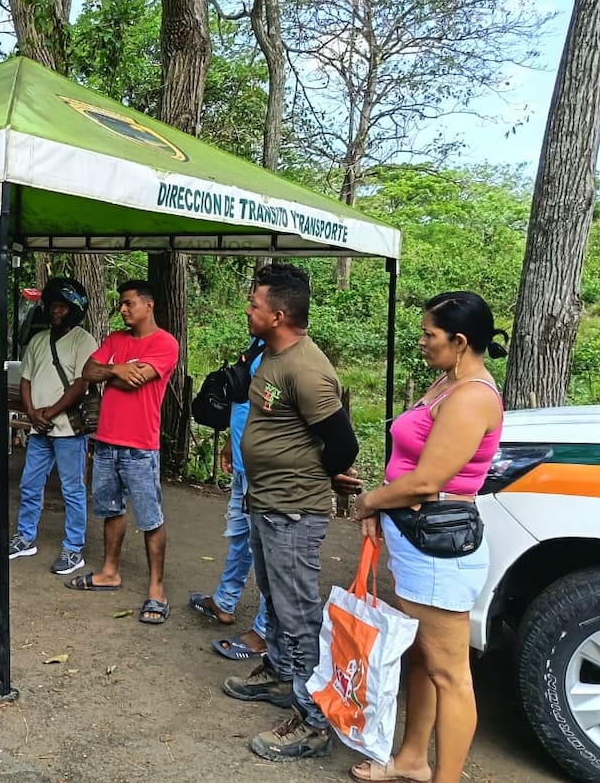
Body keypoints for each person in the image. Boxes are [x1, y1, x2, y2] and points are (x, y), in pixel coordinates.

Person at [349, 292, 506, 783]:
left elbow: (426, 481)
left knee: (451, 673)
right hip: (416, 540)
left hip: (438, 546)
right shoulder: (447, 381)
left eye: (429, 335)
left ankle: (447, 777)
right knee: (423, 656)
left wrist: (370, 501)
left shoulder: (473, 396)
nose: (421, 342)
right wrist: (382, 510)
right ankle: (413, 760)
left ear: (460, 342)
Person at [222, 263, 360, 762]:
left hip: (294, 511)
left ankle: (312, 719)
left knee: (299, 611)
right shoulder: (271, 355)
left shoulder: (307, 369)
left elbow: (343, 443)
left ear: (278, 315)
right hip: (266, 502)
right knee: (277, 601)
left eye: (254, 304)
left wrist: (310, 475)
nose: (248, 309)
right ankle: (280, 674)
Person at [66, 280, 180, 626]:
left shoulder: (165, 344)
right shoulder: (115, 339)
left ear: (149, 305)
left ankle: (156, 589)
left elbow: (138, 379)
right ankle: (109, 572)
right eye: (121, 304)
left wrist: (113, 371)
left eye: (129, 303)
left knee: (150, 517)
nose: (123, 309)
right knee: (110, 509)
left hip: (140, 447)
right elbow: (88, 372)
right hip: (106, 441)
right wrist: (117, 368)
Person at [189, 337, 274, 662]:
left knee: (268, 549)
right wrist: (230, 440)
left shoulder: (285, 357)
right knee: (240, 536)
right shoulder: (258, 343)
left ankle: (266, 632)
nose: (249, 308)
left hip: (261, 470)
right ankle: (224, 601)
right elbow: (245, 400)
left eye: (256, 303)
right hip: (243, 462)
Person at [7, 278, 98, 575]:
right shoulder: (38, 340)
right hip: (40, 428)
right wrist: (33, 412)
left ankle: (73, 549)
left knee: (72, 489)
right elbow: (26, 380)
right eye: (53, 306)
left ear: (74, 309)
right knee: (30, 483)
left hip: (68, 430)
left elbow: (81, 384)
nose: (56, 311)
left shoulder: (83, 340)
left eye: (62, 306)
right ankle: (25, 537)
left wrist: (50, 412)